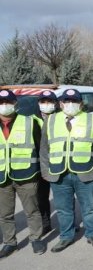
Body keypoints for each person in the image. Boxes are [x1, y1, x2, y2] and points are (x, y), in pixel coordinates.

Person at [40, 88, 93, 252]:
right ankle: (66, 236)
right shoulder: (51, 121)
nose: (70, 104)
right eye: (67, 101)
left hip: (86, 171)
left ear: (81, 103)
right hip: (59, 172)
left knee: (90, 207)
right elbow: (44, 148)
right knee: (63, 208)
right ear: (61, 103)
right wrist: (45, 171)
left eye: (74, 101)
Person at [0, 89, 46, 257]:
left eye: (8, 103)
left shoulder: (30, 122)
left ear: (15, 104)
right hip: (2, 177)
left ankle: (36, 239)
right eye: (1, 103)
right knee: (4, 214)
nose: (4, 106)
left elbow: (41, 147)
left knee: (32, 210)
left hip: (26, 175)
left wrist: (42, 170)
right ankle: (9, 242)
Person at [35, 89, 58, 235]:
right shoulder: (32, 120)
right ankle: (45, 223)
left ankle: (69, 223)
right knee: (41, 197)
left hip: (58, 163)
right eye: (43, 101)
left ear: (55, 103)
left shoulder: (61, 118)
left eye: (50, 101)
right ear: (39, 103)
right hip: (39, 165)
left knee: (63, 197)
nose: (47, 104)